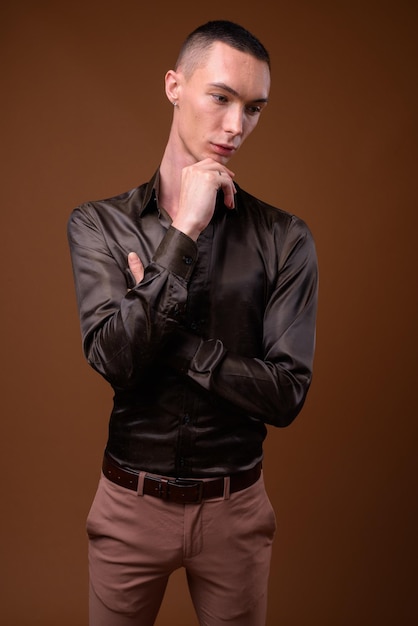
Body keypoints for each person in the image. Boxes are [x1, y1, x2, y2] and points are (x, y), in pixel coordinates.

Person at [68, 19, 318, 626]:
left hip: (235, 510)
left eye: (254, 108)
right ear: (174, 86)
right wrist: (183, 234)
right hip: (130, 505)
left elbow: (285, 395)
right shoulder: (99, 225)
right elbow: (115, 360)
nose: (237, 126)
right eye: (222, 98)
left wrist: (171, 338)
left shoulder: (285, 238)